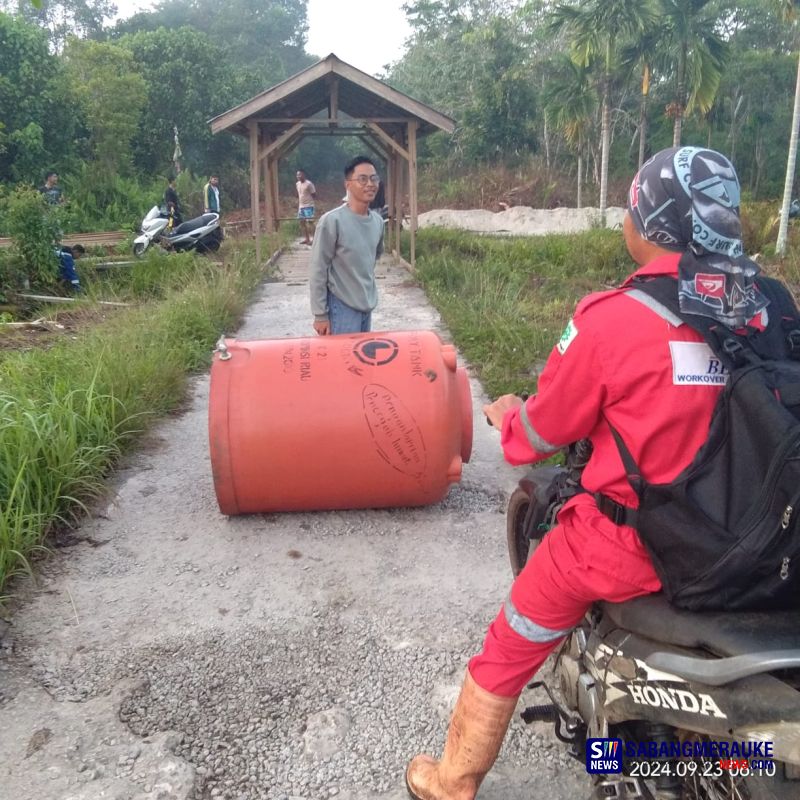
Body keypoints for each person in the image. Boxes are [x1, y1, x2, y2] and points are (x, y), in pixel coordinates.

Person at [405, 146, 775, 800]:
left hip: (631, 548)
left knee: (508, 645)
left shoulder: (612, 318)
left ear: (648, 223)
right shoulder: (771, 307)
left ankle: (450, 781)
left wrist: (510, 416)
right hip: (765, 539)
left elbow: (539, 438)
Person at [309, 155, 385, 336]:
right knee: (342, 363)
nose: (370, 184)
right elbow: (318, 268)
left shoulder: (378, 222)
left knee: (361, 361)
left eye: (374, 178)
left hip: (366, 305)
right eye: (362, 179)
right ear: (348, 184)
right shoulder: (332, 221)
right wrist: (320, 314)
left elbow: (373, 257)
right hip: (341, 307)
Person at [295, 169, 317, 245]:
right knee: (302, 222)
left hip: (308, 206)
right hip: (301, 206)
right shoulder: (297, 184)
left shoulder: (309, 184)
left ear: (304, 175)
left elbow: (314, 194)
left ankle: (314, 239)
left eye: (300, 174)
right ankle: (306, 239)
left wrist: (310, 202)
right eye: (297, 175)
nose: (298, 176)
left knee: (310, 222)